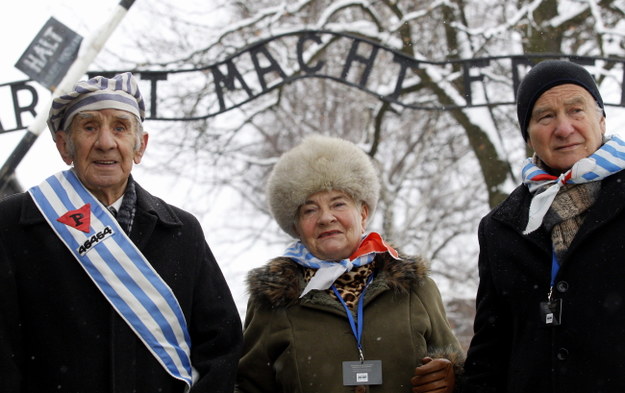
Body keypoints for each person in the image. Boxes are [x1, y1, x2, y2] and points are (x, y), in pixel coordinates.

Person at [0, 72, 243, 392]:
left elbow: (222, 347)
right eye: (89, 127)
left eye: (120, 127)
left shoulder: (182, 232)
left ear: (139, 146)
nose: (105, 142)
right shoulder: (12, 225)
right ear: (64, 145)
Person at [235, 134, 464, 393]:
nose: (326, 218)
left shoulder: (415, 287)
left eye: (338, 203)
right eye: (310, 210)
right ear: (296, 227)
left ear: (363, 213)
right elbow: (247, 387)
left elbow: (463, 370)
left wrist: (453, 377)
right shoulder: (274, 300)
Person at [461, 60, 625, 393]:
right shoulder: (500, 229)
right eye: (545, 116)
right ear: (528, 134)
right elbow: (489, 355)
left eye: (576, 110)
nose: (564, 128)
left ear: (601, 119)